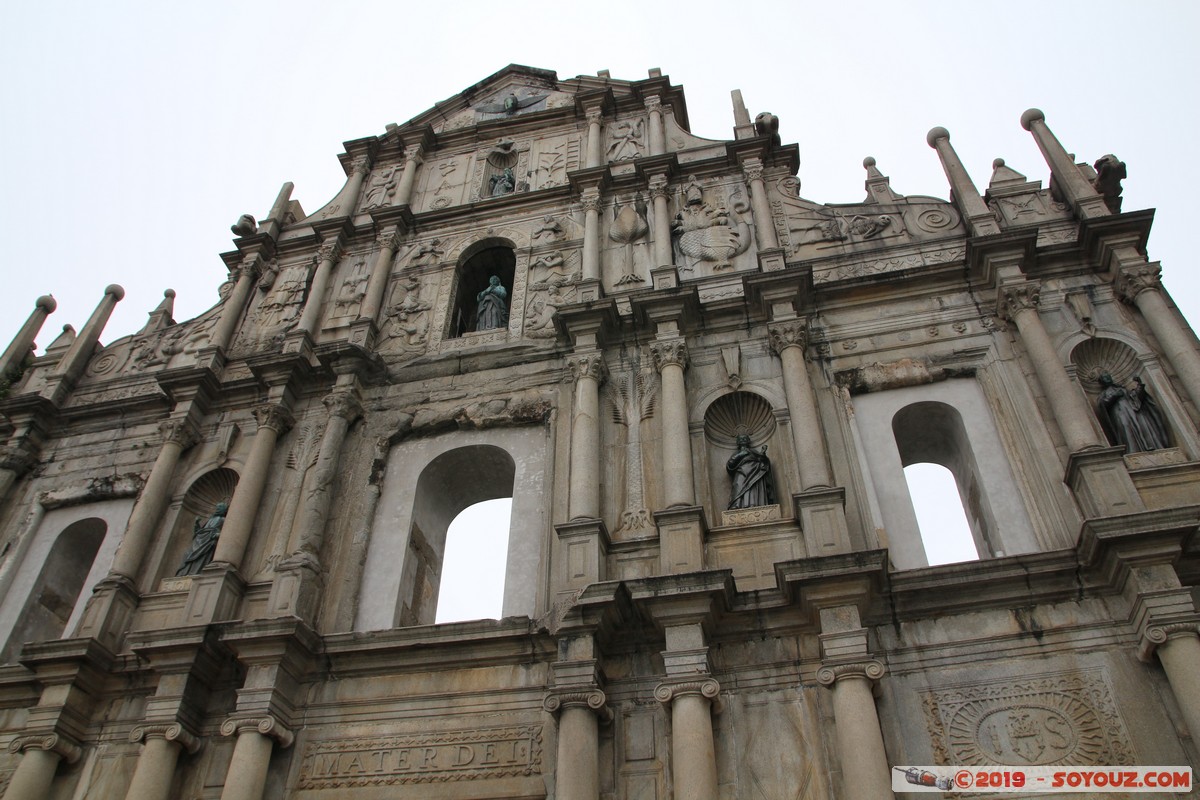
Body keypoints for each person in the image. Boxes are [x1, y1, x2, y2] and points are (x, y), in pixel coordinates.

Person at [1097, 373, 1169, 453]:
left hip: (1134, 410)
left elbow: (1135, 397)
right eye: (1105, 378)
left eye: (1108, 377)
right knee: (1125, 426)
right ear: (1101, 382)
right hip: (1119, 412)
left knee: (1143, 426)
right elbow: (1102, 405)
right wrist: (1114, 396)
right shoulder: (1104, 393)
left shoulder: (1122, 389)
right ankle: (1133, 451)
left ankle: (1151, 447)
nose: (1108, 379)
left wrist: (1139, 385)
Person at [175, 501, 227, 576]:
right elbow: (200, 531)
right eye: (217, 508)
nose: (217, 509)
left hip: (209, 541)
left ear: (224, 510)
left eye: (220, 508)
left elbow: (226, 532)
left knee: (202, 556)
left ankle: (196, 572)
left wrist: (216, 535)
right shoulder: (211, 519)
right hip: (199, 539)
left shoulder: (223, 520)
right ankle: (185, 573)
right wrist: (196, 523)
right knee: (188, 554)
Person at [726, 434, 774, 509]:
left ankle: (754, 504)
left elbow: (762, 461)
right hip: (741, 473)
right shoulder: (737, 453)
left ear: (748, 441)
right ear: (738, 442)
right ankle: (737, 504)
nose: (743, 440)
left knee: (753, 486)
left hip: (754, 473)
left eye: (745, 439)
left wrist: (763, 454)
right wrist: (740, 455)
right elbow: (730, 464)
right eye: (741, 439)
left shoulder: (753, 452)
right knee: (738, 485)